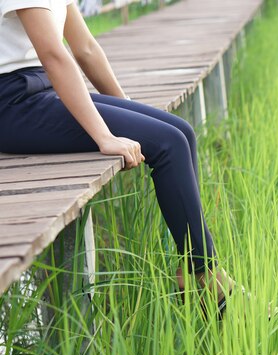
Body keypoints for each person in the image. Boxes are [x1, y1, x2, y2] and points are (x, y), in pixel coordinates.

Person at [0, 0, 233, 317]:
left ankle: (196, 267)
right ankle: (205, 275)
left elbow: (86, 50)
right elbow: (54, 55)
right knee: (169, 145)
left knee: (179, 132)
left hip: (42, 88)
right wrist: (104, 136)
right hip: (14, 104)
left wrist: (135, 115)